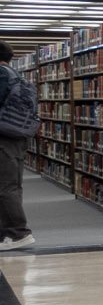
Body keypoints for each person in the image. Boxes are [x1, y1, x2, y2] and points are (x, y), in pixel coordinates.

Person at [0, 42, 37, 250]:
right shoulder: (14, 74)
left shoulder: (2, 75)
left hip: (4, 138)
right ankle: (7, 232)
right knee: (10, 185)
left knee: (6, 187)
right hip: (15, 135)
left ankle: (18, 234)